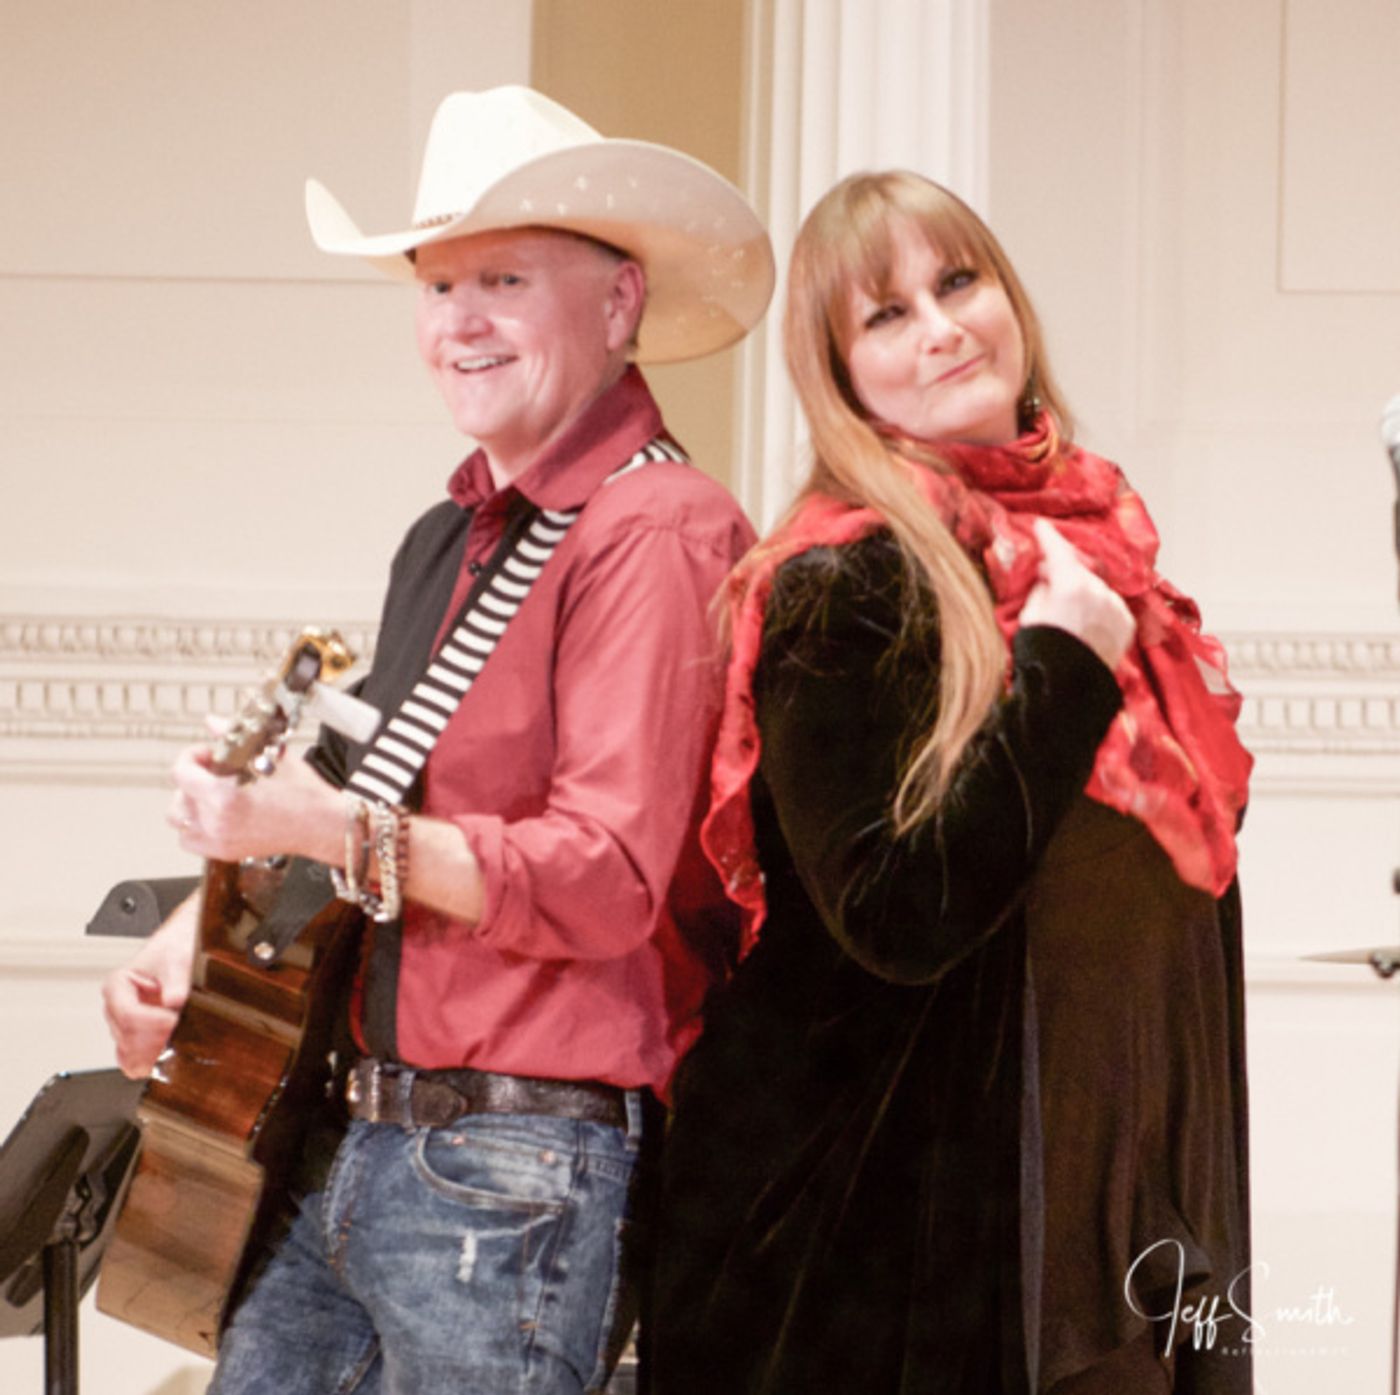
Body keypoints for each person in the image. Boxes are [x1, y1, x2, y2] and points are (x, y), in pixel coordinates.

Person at [101, 85, 772, 1395]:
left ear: (620, 302)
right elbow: (371, 784)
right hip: (351, 1141)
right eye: (436, 283)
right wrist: (193, 942)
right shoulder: (446, 539)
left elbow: (604, 877)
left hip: (515, 1170)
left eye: (504, 279)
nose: (457, 323)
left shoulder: (660, 529)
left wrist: (323, 825)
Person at [648, 170, 1254, 1395]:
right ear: (842, 378)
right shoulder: (844, 585)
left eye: (957, 280)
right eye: (883, 315)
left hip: (1130, 1221)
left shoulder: (1095, 552)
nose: (940, 327)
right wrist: (1061, 668)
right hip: (902, 1258)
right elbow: (896, 913)